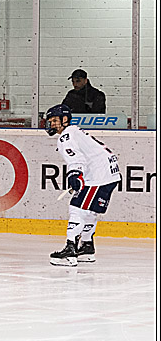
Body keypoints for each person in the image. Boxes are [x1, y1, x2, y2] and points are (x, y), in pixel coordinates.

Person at [44, 104, 121, 266]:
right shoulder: (75, 132)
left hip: (98, 176)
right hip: (110, 174)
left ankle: (70, 249)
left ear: (65, 119)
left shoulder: (66, 136)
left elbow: (76, 158)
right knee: (90, 211)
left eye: (54, 121)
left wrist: (75, 174)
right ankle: (86, 247)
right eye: (50, 121)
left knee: (77, 207)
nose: (51, 124)